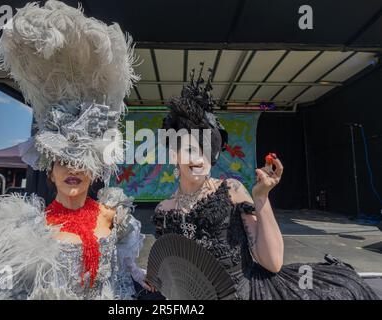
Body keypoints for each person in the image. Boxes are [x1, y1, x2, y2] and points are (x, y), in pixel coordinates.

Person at [0, 0, 149, 299]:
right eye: (62, 160)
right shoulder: (31, 227)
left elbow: (126, 273)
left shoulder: (116, 218)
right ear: (50, 169)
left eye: (81, 161)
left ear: (94, 169)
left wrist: (139, 275)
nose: (72, 169)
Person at [150, 65, 378, 300]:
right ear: (174, 155)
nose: (198, 159)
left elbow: (272, 262)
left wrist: (261, 197)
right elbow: (167, 277)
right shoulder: (163, 211)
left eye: (205, 151)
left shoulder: (230, 190)